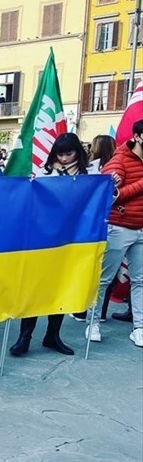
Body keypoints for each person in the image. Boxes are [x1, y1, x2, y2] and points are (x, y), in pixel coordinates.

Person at [9, 133, 86, 357]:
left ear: (77, 152)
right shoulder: (44, 172)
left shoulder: (87, 173)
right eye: (59, 154)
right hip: (41, 238)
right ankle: (24, 337)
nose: (63, 158)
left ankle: (53, 335)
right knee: (34, 287)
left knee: (60, 287)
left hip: (70, 239)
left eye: (68, 153)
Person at [87, 120, 143, 349]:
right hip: (120, 227)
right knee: (103, 278)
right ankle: (93, 322)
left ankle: (139, 327)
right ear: (138, 136)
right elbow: (108, 194)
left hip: (140, 228)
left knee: (140, 280)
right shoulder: (119, 160)